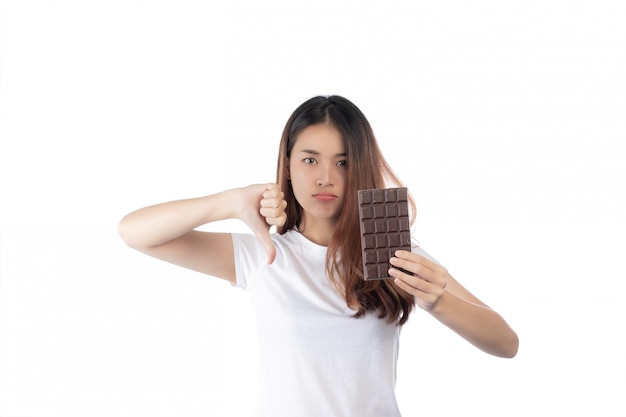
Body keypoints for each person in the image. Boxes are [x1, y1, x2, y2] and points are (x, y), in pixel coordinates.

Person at [118, 95, 519, 417]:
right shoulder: (264, 252)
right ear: (288, 167)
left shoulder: (395, 252)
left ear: (359, 169)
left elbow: (506, 343)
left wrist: (438, 300)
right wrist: (230, 202)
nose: (325, 176)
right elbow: (134, 233)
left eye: (342, 162)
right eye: (310, 159)